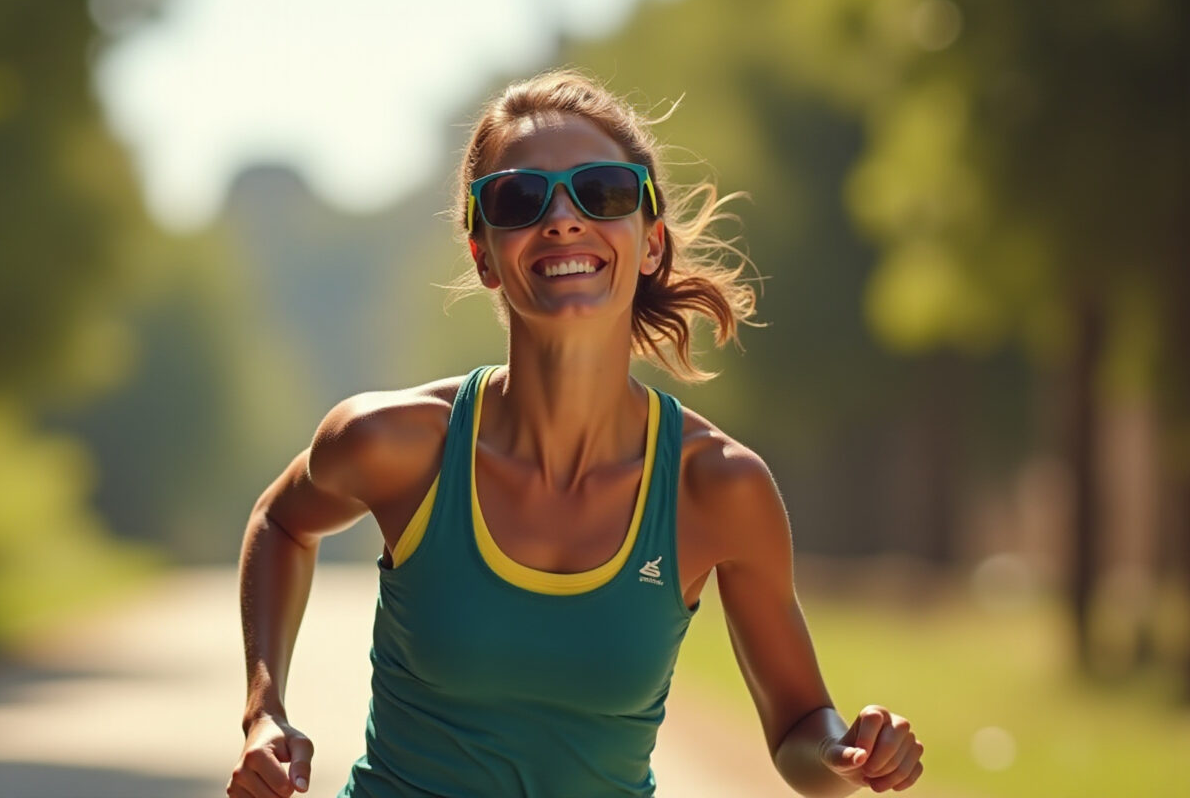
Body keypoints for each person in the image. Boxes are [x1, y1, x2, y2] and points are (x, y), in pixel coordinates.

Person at [228, 69, 924, 798]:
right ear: (484, 255)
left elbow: (798, 729)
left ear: (650, 241)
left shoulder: (715, 487)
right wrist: (263, 711)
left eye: (604, 192)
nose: (562, 218)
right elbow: (281, 519)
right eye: (519, 200)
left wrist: (850, 754)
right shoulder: (396, 444)